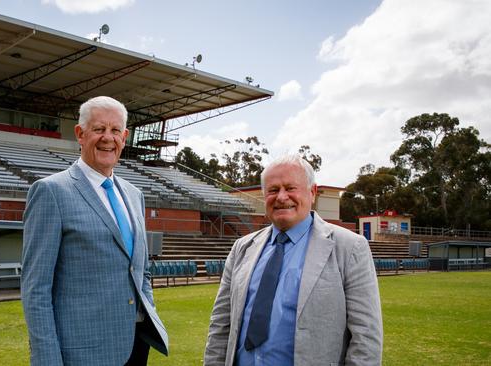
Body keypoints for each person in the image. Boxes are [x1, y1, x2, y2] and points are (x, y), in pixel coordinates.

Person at [21, 96, 168, 365]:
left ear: (124, 137)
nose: (107, 138)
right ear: (80, 134)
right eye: (99, 129)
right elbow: (36, 289)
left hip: (136, 345)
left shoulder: (134, 195)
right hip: (82, 352)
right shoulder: (51, 192)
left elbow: (140, 269)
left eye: (115, 131)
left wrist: (148, 309)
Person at [204, 154, 382, 366]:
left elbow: (366, 335)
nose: (281, 197)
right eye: (273, 190)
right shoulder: (242, 248)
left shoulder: (350, 247)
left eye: (290, 188)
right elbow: (220, 325)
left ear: (312, 192)